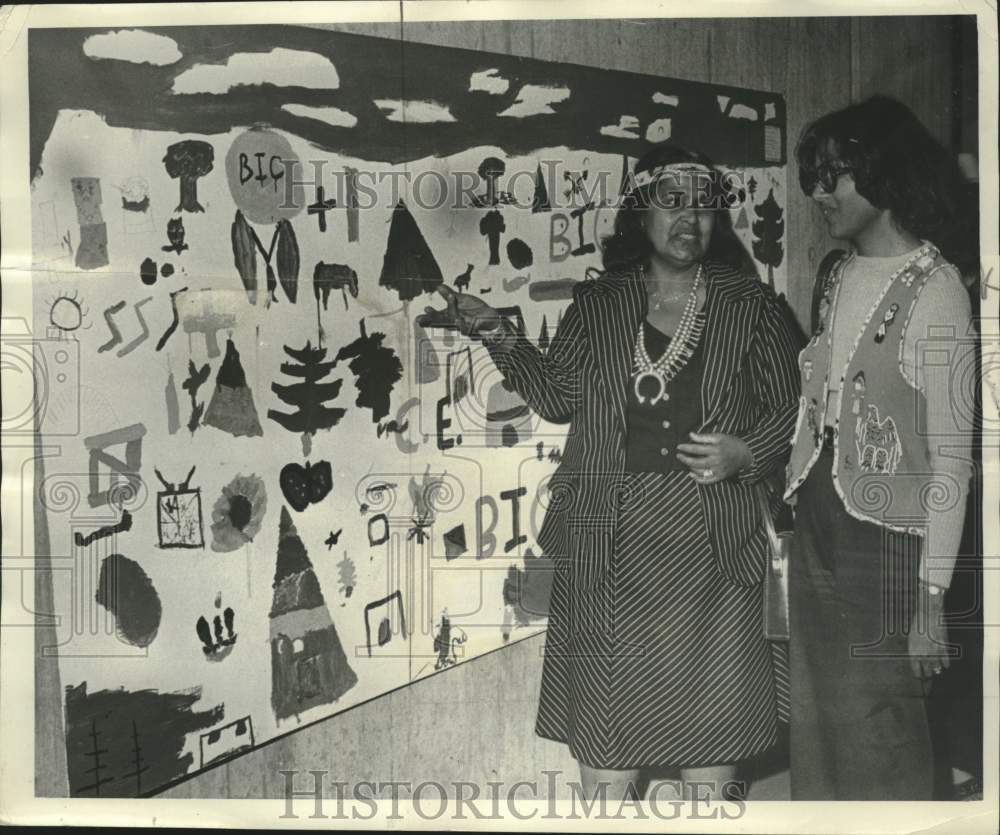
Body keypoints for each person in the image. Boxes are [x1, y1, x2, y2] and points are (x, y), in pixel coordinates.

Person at [426, 143, 800, 799]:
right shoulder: (598, 305)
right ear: (640, 212)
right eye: (672, 202)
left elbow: (794, 409)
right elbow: (557, 396)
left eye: (704, 206)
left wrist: (747, 451)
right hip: (609, 547)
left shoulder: (753, 306)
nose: (690, 219)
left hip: (715, 553)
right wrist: (498, 332)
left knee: (709, 758)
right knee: (606, 761)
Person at [787, 95, 975, 800]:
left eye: (834, 175)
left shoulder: (938, 292)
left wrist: (932, 598)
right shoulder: (836, 277)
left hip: (894, 542)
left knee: (883, 733)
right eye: (816, 174)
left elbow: (952, 458)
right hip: (817, 518)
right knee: (817, 719)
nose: (817, 192)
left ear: (883, 175)